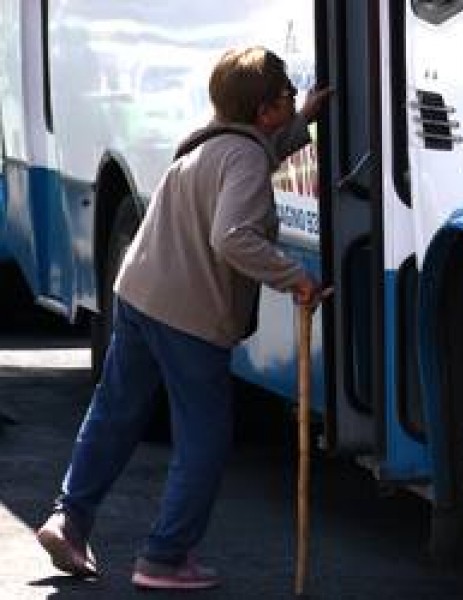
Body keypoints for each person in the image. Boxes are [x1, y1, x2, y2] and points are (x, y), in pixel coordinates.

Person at [35, 46, 332, 591]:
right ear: (264, 111)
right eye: (289, 95)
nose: (295, 98)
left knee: (116, 410)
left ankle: (69, 518)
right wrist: (296, 277)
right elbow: (232, 236)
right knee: (205, 437)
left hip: (140, 294)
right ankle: (164, 558)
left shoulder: (211, 143)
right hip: (190, 316)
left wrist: (303, 122)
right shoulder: (243, 159)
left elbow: (254, 156)